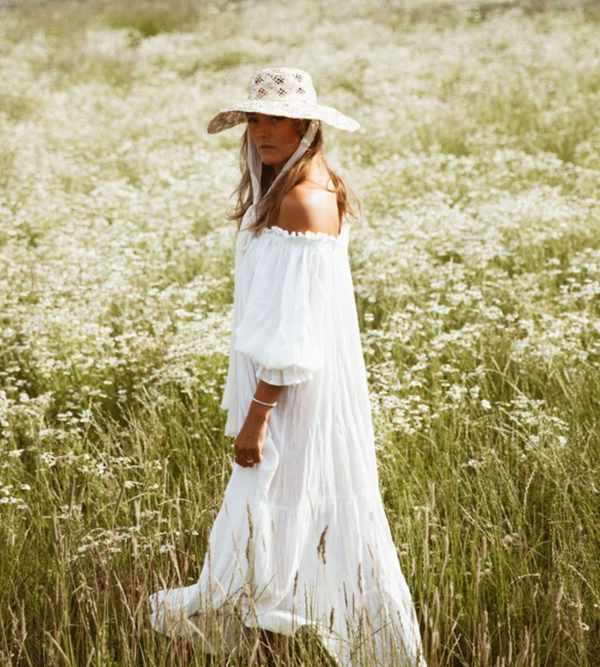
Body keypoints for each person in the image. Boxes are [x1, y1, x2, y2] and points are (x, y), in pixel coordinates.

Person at [149, 67, 427, 667]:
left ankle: (288, 643)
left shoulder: (302, 198)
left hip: (289, 396)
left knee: (275, 518)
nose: (262, 130)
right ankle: (278, 646)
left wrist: (257, 417)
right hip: (285, 392)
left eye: (276, 118)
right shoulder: (293, 186)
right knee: (278, 522)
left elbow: (296, 332)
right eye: (254, 118)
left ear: (306, 124)